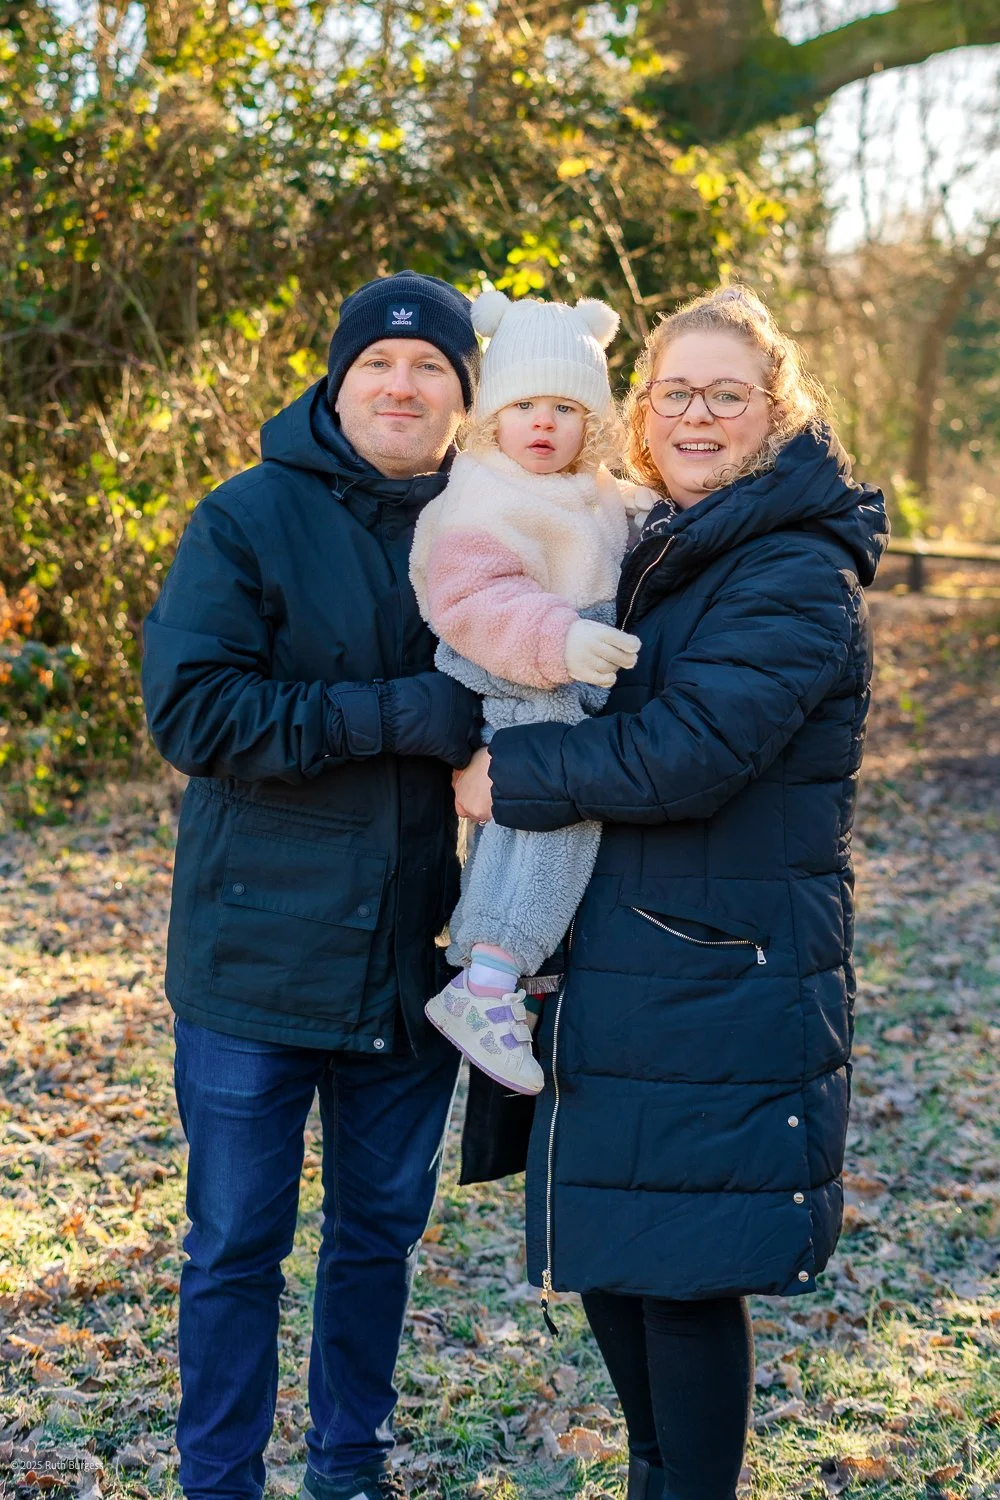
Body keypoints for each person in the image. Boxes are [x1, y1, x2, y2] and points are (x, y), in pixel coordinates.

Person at [453, 285, 889, 1500]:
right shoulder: (650, 541)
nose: (696, 414)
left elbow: (690, 749)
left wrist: (511, 775)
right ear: (639, 410)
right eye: (673, 391)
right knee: (617, 1255)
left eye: (726, 394)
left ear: (774, 411)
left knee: (679, 1275)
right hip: (622, 964)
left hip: (713, 967)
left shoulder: (790, 574)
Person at [141, 270, 483, 1500]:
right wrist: (404, 714)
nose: (402, 385)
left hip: (414, 957)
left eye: (430, 368)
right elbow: (194, 711)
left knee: (377, 1239)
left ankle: (349, 1467)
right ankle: (218, 1479)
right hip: (254, 958)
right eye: (378, 365)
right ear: (339, 383)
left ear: (462, 395)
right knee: (235, 1243)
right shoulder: (245, 517)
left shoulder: (497, 524)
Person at [409, 290, 648, 1095]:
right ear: (491, 417)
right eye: (524, 406)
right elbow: (472, 601)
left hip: (567, 681)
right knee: (552, 824)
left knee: (539, 830)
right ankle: (487, 981)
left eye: (565, 408)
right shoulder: (484, 494)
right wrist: (561, 638)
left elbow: (626, 528)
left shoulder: (594, 489)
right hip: (521, 676)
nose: (543, 424)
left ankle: (500, 973)